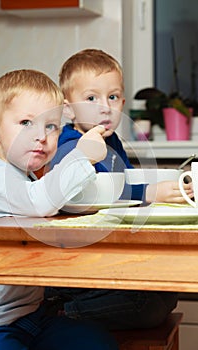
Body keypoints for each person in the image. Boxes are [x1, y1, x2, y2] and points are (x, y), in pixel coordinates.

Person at [0, 69, 119, 350]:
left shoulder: (25, 176)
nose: (41, 136)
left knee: (99, 343)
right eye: (26, 123)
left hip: (31, 316)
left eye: (51, 126)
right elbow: (38, 203)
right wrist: (80, 156)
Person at [45, 49, 193, 331]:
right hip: (73, 268)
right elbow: (94, 192)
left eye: (112, 97)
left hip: (105, 255)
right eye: (91, 98)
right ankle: (61, 314)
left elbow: (124, 181)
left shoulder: (112, 142)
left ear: (122, 102)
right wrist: (151, 192)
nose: (105, 107)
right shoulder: (69, 143)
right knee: (148, 305)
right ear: (68, 109)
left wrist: (168, 185)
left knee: (166, 295)